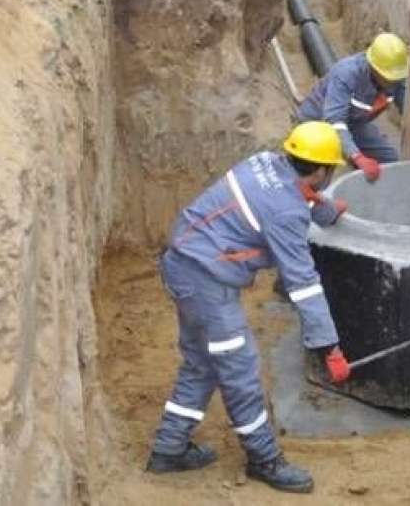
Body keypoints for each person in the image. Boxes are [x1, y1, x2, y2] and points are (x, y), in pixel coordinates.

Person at [146, 121, 353, 495]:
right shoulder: (287, 213)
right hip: (206, 282)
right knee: (239, 368)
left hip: (185, 263)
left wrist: (325, 212)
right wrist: (329, 345)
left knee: (202, 362)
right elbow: (303, 285)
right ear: (322, 170)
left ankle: (168, 448)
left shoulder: (265, 162)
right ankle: (264, 459)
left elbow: (289, 195)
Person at [293, 32, 408, 180]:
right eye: (388, 77)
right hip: (319, 122)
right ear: (374, 67)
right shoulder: (347, 73)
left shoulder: (395, 77)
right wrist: (357, 156)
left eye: (396, 77)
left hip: (355, 123)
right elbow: (334, 122)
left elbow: (409, 108)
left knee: (390, 161)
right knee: (320, 175)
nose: (392, 82)